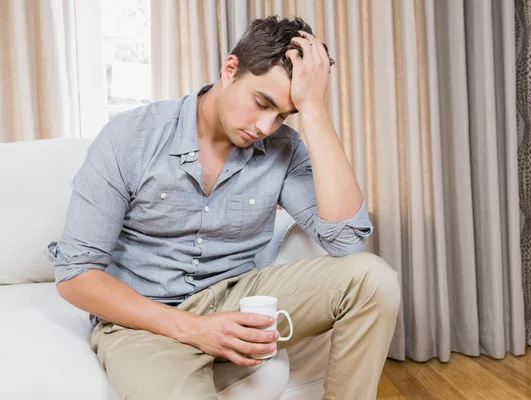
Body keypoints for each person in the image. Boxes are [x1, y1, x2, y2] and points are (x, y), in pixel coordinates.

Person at [45, 16, 400, 400]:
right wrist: (193, 328)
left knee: (373, 280)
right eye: (262, 102)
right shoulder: (130, 138)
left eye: (283, 114)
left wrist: (313, 110)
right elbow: (76, 274)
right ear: (230, 69)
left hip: (236, 296)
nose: (266, 125)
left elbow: (346, 242)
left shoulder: (284, 147)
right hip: (144, 322)